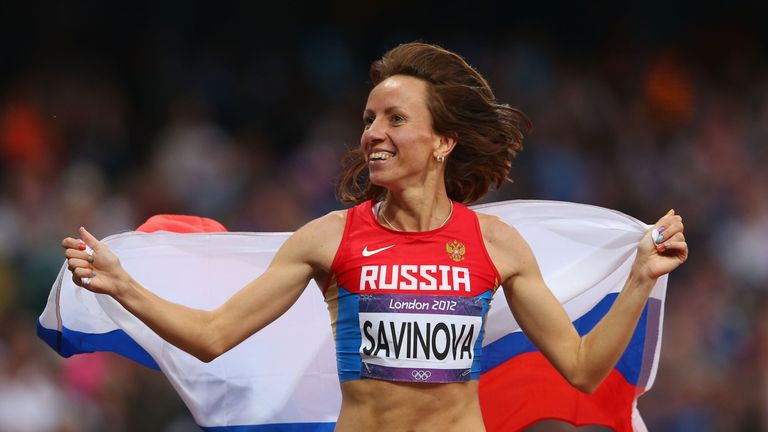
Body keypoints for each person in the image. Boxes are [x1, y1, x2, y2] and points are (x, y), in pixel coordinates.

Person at [61, 42, 688, 432]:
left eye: (395, 118)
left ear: (443, 142)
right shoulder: (329, 239)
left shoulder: (495, 244)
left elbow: (581, 369)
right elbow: (212, 336)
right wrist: (123, 286)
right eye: (367, 119)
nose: (372, 132)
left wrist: (638, 279)